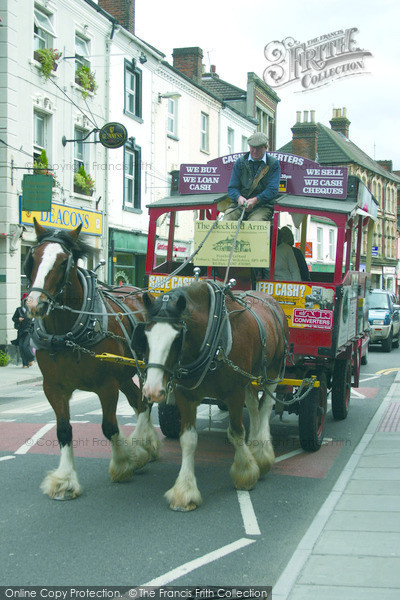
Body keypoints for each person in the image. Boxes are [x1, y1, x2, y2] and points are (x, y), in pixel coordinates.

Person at [223, 132, 281, 222]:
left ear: (266, 147)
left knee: (255, 224)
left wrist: (256, 200)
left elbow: (272, 190)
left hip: (262, 207)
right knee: (227, 218)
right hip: (239, 206)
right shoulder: (240, 162)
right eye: (252, 148)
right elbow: (232, 187)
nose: (254, 151)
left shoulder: (273, 164)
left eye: (258, 148)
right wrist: (239, 198)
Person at [12, 293, 35, 368]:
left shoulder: (32, 310)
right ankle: (25, 363)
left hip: (29, 330)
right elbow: (13, 318)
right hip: (21, 330)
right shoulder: (18, 310)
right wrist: (18, 319)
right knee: (21, 346)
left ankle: (31, 359)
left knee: (25, 345)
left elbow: (36, 320)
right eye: (25, 301)